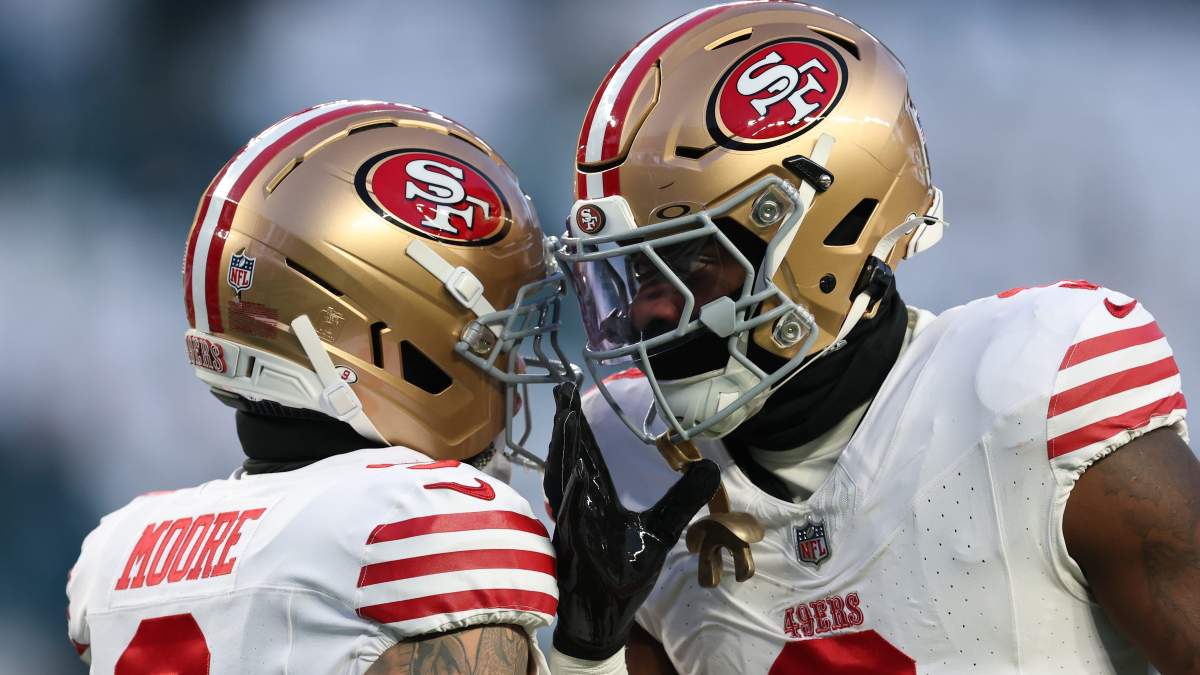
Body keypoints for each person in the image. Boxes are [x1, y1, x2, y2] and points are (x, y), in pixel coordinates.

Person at [547, 3, 1198, 674]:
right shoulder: (629, 469)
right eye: (628, 272)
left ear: (822, 233)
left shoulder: (1033, 394)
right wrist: (585, 654)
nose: (648, 311)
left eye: (685, 262)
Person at [66, 100, 576, 674]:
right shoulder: (424, 523)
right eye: (499, 334)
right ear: (394, 330)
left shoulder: (118, 548)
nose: (513, 364)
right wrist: (590, 657)